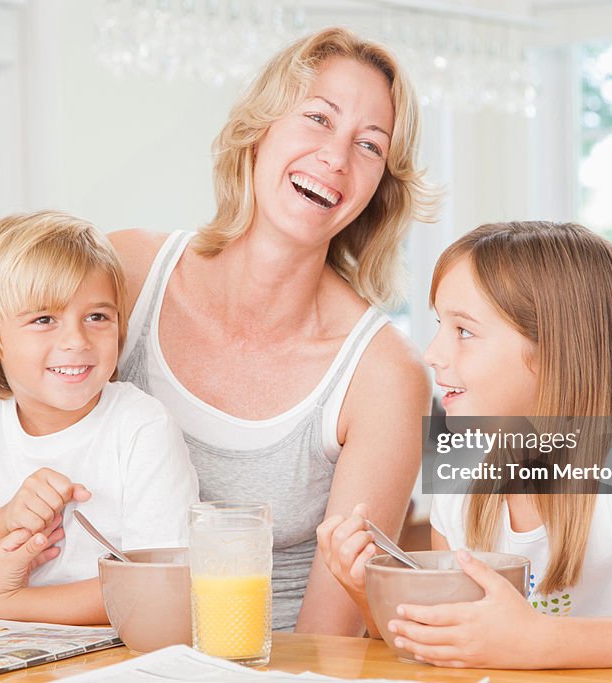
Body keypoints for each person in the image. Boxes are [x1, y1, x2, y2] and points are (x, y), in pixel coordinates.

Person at [317, 221, 612, 668]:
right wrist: (367, 591)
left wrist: (542, 640)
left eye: (464, 331)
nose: (432, 352)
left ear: (553, 351)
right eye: (440, 325)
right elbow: (448, 636)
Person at [109, 27, 435, 634]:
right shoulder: (126, 274)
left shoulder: (384, 375)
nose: (335, 159)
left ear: (379, 189)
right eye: (317, 118)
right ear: (259, 129)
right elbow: (7, 456)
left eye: (369, 145)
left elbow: (328, 640)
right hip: (89, 656)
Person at [0, 210, 199, 624]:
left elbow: (161, 587)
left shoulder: (140, 426)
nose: (76, 341)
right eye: (44, 319)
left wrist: (14, 603)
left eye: (97, 317)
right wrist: (6, 520)